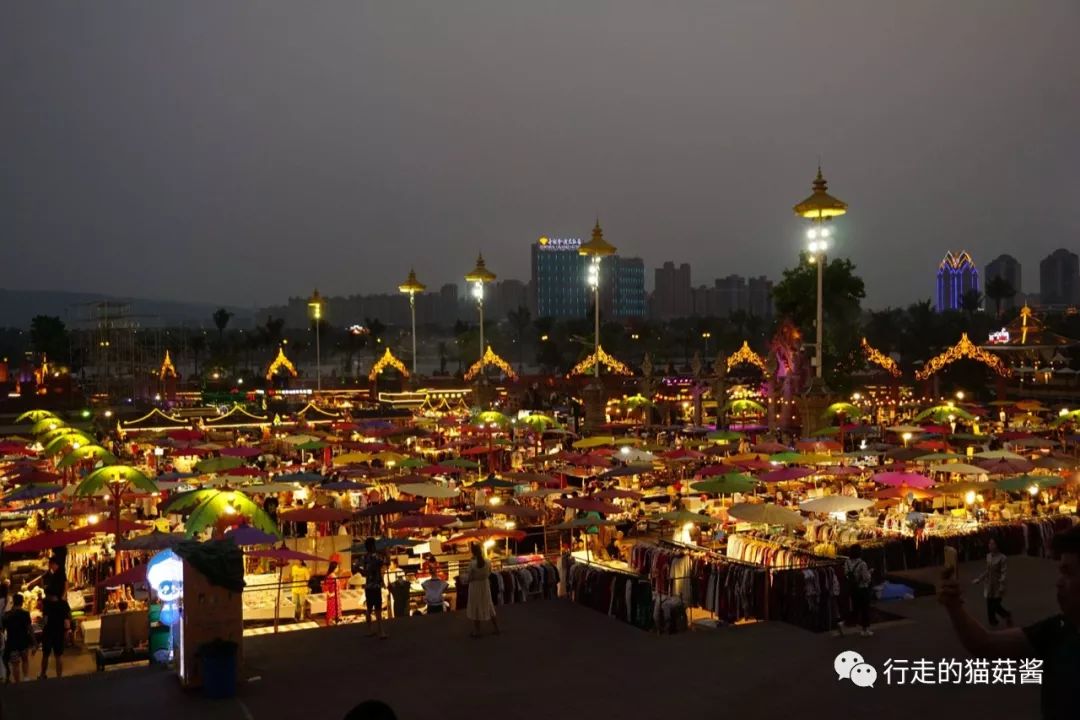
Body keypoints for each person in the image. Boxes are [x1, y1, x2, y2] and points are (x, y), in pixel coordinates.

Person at [941, 527, 1080, 719]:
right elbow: (985, 644)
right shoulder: (1058, 630)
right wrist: (954, 606)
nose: (1059, 582)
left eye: (1068, 573)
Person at [973, 537, 1013, 627]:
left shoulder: (1003, 558)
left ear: (997, 545)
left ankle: (1006, 614)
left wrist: (1002, 585)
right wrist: (979, 579)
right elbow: (987, 570)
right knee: (989, 603)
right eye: (989, 543)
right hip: (989, 584)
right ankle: (993, 621)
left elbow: (1004, 572)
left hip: (998, 584)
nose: (990, 545)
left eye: (992, 544)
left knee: (995, 605)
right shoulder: (988, 556)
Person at [466, 542, 499, 637]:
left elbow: (469, 578)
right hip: (485, 585)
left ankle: (477, 631)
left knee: (476, 606)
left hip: (475, 586)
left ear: (473, 553)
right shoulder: (488, 561)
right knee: (489, 604)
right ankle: (496, 628)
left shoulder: (472, 564)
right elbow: (489, 573)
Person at [844, 544, 874, 637]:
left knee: (855, 608)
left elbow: (846, 574)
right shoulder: (862, 564)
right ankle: (865, 630)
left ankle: (844, 624)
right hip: (862, 588)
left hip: (853, 588)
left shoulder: (847, 562)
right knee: (865, 609)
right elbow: (866, 578)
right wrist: (870, 572)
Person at [39, 593, 71, 679]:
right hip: (59, 632)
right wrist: (67, 632)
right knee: (59, 655)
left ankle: (43, 674)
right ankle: (59, 676)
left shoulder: (47, 604)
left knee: (46, 654)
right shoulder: (64, 604)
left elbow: (45, 621)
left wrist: (41, 624)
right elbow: (67, 619)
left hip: (48, 632)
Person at [361, 537, 387, 638]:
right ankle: (381, 631)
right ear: (372, 546)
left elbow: (357, 566)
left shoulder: (364, 557)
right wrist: (385, 551)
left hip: (368, 585)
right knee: (378, 609)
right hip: (375, 585)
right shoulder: (376, 557)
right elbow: (385, 561)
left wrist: (365, 572)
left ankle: (369, 630)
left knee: (369, 608)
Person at [3, 593, 32, 683]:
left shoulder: (7, 615)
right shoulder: (25, 613)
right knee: (25, 659)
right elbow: (29, 628)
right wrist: (34, 642)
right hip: (23, 641)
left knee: (15, 664)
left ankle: (17, 682)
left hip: (12, 642)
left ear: (13, 602)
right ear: (22, 602)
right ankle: (26, 677)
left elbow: (3, 630)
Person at [322, 560, 342, 626]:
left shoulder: (334, 575)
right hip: (332, 598)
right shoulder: (330, 577)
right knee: (331, 613)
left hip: (337, 597)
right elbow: (325, 586)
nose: (338, 568)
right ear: (334, 568)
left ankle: (335, 624)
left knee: (337, 613)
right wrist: (329, 594)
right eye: (337, 567)